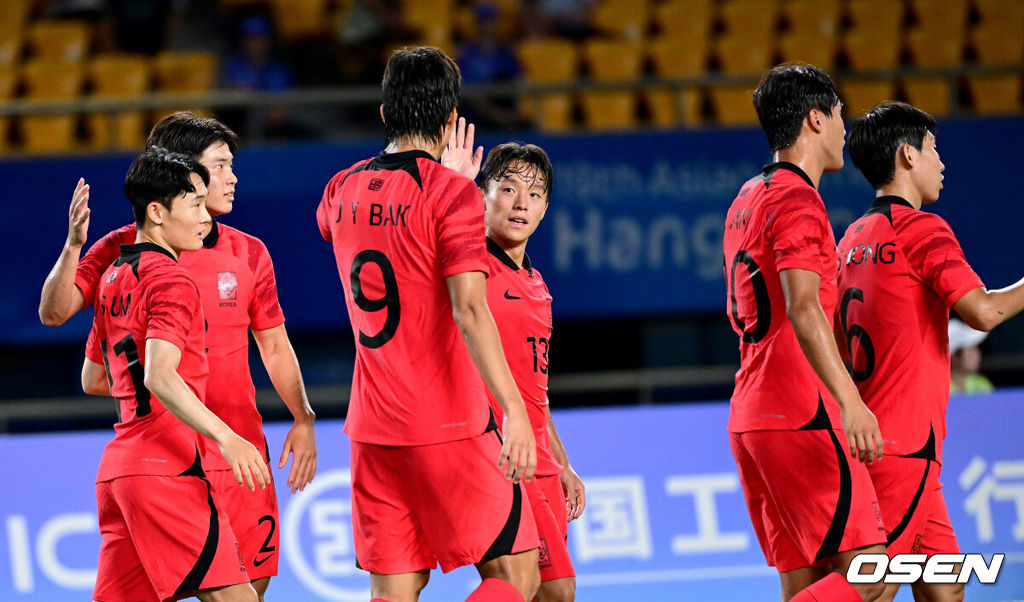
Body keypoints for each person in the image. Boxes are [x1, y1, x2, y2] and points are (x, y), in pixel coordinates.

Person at [39, 112, 317, 600]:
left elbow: (274, 344)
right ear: (180, 177)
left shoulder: (249, 253)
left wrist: (303, 417)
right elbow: (57, 313)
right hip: (178, 459)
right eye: (219, 167)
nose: (231, 178)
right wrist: (164, 385)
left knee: (249, 588)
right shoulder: (126, 256)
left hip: (235, 456)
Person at [316, 47, 540, 602]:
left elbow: (338, 226)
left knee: (393, 592)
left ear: (387, 114)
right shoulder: (451, 193)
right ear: (449, 120)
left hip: (372, 429)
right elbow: (469, 308)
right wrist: (513, 409)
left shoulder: (339, 188)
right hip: (451, 425)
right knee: (517, 578)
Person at [837, 101, 1024, 600]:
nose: (941, 162)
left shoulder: (851, 240)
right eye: (934, 149)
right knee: (871, 590)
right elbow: (983, 313)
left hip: (884, 447)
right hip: (903, 447)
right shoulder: (922, 230)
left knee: (946, 591)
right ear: (906, 156)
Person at [722, 63, 887, 602]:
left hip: (752, 415)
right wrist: (850, 401)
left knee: (808, 584)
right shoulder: (798, 199)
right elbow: (803, 307)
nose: (846, 127)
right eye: (841, 114)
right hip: (802, 410)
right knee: (875, 579)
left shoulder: (746, 198)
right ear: (816, 119)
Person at [88, 147, 269, 602]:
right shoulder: (173, 279)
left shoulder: (114, 276)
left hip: (119, 474)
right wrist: (227, 437)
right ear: (156, 212)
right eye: (193, 204)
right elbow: (159, 376)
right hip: (167, 470)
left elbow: (94, 378)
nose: (204, 217)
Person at [444, 138, 585, 601]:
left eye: (536, 193)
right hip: (492, 454)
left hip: (537, 457)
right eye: (507, 189)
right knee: (532, 588)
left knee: (555, 591)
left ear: (546, 209)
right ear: (482, 195)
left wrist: (561, 463)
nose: (522, 203)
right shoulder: (469, 268)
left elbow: (534, 388)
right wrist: (452, 189)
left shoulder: (537, 283)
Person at [948, 319, 994, 394]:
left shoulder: (982, 384)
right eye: (972, 351)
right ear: (954, 357)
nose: (978, 355)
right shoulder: (938, 387)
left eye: (977, 350)